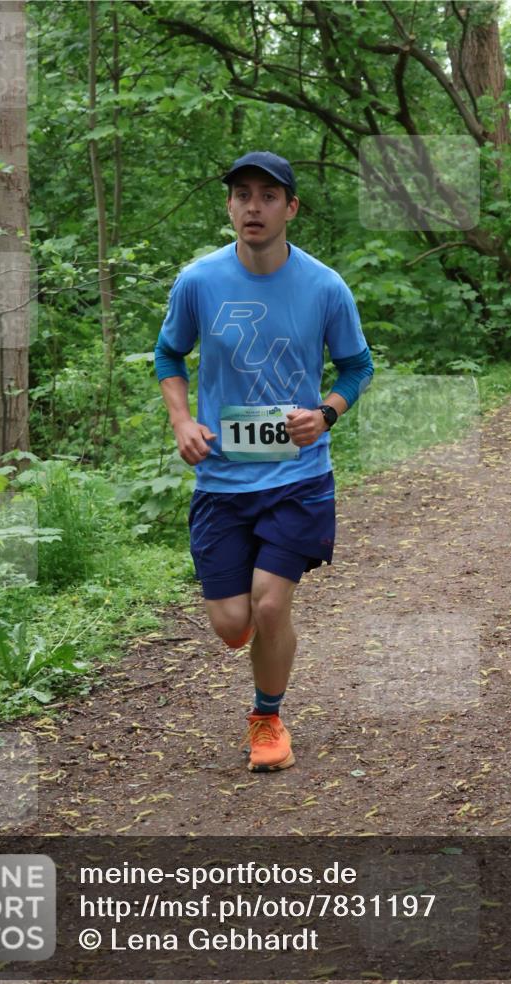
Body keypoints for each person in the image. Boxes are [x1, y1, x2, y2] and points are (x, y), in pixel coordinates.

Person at [154, 151, 373, 772]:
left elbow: (358, 366)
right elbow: (168, 356)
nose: (254, 206)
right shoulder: (198, 281)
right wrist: (181, 420)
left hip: (299, 477)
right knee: (232, 626)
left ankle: (267, 718)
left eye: (269, 196)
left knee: (272, 605)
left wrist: (325, 414)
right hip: (223, 479)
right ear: (229, 206)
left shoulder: (325, 286)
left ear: (290, 208)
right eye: (243, 194)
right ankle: (254, 632)